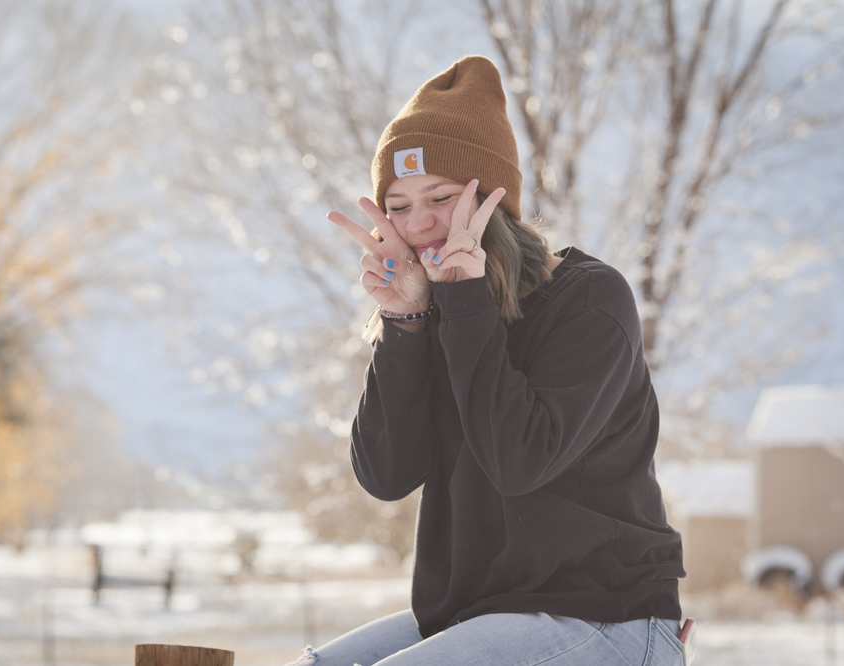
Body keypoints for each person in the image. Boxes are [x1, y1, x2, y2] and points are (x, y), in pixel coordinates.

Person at [294, 55, 687, 666]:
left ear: (492, 198)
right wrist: (405, 322)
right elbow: (386, 475)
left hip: (606, 617)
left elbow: (519, 461)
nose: (419, 223)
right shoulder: (438, 312)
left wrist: (464, 303)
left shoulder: (590, 300)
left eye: (441, 197)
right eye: (398, 206)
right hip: (477, 614)